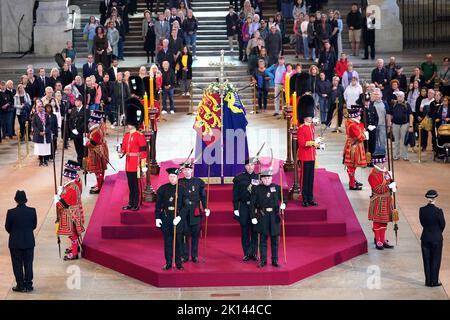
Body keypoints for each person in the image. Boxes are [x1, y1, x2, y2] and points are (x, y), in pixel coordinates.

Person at [251, 170, 286, 268]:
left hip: (274, 217)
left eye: (269, 178)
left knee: (275, 240)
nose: (267, 180)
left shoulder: (277, 187)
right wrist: (253, 217)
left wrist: (284, 204)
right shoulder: (256, 189)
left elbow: (284, 199)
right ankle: (263, 260)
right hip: (263, 216)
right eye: (265, 178)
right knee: (263, 240)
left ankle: (275, 260)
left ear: (271, 178)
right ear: (261, 179)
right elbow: (252, 205)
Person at [155, 167, 188, 270]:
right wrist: (157, 218)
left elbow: (186, 206)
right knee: (168, 242)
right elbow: (158, 205)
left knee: (178, 242)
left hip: (177, 218)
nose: (172, 178)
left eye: (174, 176)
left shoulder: (182, 189)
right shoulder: (162, 189)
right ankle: (168, 262)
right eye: (170, 176)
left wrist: (180, 217)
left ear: (177, 177)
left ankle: (178, 263)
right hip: (166, 218)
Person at [5, 190, 37, 293]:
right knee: (28, 263)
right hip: (28, 241)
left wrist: (14, 233)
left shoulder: (11, 212)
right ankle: (29, 284)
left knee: (17, 264)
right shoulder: (32, 211)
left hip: (15, 243)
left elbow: (7, 227)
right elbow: (34, 226)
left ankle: (20, 285)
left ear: (16, 200)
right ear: (25, 199)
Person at [118, 100, 147, 211]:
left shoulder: (139, 135)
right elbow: (124, 149)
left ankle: (136, 203)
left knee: (136, 186)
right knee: (130, 185)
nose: (128, 124)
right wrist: (121, 153)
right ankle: (131, 203)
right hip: (128, 163)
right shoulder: (126, 136)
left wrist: (143, 165)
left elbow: (143, 152)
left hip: (136, 164)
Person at [178, 162, 210, 263]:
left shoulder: (198, 182)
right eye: (185, 170)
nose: (187, 172)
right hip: (184, 213)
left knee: (195, 235)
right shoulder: (179, 182)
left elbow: (203, 197)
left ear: (192, 170)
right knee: (184, 235)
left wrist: (205, 208)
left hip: (195, 212)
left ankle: (195, 255)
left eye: (189, 170)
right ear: (182, 171)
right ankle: (185, 255)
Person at [55, 161, 85, 260]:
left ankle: (75, 253)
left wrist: (57, 199)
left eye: (65, 176)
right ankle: (74, 248)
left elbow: (62, 204)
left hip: (70, 214)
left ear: (68, 178)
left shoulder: (71, 188)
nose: (64, 178)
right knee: (74, 233)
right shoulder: (73, 185)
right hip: (74, 212)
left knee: (72, 235)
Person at [367, 153, 397, 250]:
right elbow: (377, 189)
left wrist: (393, 185)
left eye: (384, 162)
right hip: (378, 201)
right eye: (381, 163)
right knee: (377, 222)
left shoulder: (386, 173)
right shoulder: (372, 175)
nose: (383, 164)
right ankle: (378, 239)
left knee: (384, 222)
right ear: (376, 164)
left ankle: (383, 239)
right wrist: (389, 186)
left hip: (387, 200)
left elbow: (391, 184)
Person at [233, 157, 260, 262]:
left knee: (255, 230)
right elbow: (235, 195)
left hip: (255, 208)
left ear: (254, 166)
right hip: (244, 206)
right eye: (248, 165)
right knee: (244, 230)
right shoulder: (239, 178)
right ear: (245, 166)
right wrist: (235, 208)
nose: (250, 167)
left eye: (252, 165)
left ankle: (254, 253)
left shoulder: (259, 177)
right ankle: (246, 253)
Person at [420, 190, 445, 287]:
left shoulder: (421, 210)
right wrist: (437, 232)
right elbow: (442, 224)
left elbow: (422, 223)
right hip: (436, 238)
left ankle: (428, 281)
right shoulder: (439, 211)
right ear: (435, 198)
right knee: (435, 260)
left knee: (426, 260)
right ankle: (434, 281)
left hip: (425, 237)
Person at [297, 95, 319, 207]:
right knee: (304, 178)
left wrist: (318, 144)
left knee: (311, 178)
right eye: (310, 116)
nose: (311, 117)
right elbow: (302, 143)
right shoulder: (301, 128)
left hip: (311, 156)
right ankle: (304, 198)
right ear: (305, 117)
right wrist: (313, 143)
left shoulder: (312, 127)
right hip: (305, 156)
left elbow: (313, 141)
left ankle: (310, 197)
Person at [343, 107, 368, 190]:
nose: (360, 117)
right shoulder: (352, 125)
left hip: (353, 145)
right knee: (352, 165)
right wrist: (365, 135)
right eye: (358, 116)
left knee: (352, 166)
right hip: (354, 147)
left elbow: (360, 127)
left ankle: (353, 180)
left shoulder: (352, 122)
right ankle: (352, 184)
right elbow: (360, 137)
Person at [84, 112, 108, 194]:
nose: (89, 123)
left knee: (98, 170)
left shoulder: (96, 131)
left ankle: (99, 186)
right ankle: (99, 183)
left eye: (91, 122)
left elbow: (92, 144)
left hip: (96, 153)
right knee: (99, 170)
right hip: (97, 152)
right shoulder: (95, 129)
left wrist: (86, 142)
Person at [388, 91, 413, 161]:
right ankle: (396, 155)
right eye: (398, 96)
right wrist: (390, 122)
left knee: (405, 141)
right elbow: (390, 114)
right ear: (397, 97)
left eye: (401, 96)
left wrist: (411, 125)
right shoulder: (394, 104)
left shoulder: (407, 104)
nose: (400, 97)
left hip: (404, 124)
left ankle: (405, 156)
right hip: (395, 124)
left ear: (404, 97)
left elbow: (411, 115)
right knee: (396, 141)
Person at [31, 100, 51, 166]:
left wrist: (45, 131)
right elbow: (34, 125)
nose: (40, 108)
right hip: (38, 135)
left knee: (45, 148)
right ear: (37, 108)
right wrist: (39, 132)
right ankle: (41, 161)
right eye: (39, 107)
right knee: (40, 148)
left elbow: (48, 124)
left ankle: (45, 160)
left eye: (41, 107)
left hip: (46, 134)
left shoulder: (46, 115)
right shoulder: (35, 115)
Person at [69, 96, 87, 166]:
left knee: (83, 148)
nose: (76, 102)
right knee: (77, 148)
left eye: (78, 101)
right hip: (74, 133)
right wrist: (72, 129)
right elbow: (70, 121)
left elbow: (85, 122)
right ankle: (79, 162)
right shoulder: (73, 110)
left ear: (81, 102)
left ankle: (83, 163)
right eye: (75, 101)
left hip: (81, 132)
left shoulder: (85, 110)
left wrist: (78, 130)